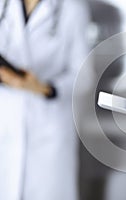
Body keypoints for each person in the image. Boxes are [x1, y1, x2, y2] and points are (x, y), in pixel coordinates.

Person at [0, 0, 89, 199]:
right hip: (5, 123)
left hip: (48, 132)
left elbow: (84, 77)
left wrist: (42, 88)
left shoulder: (72, 10)